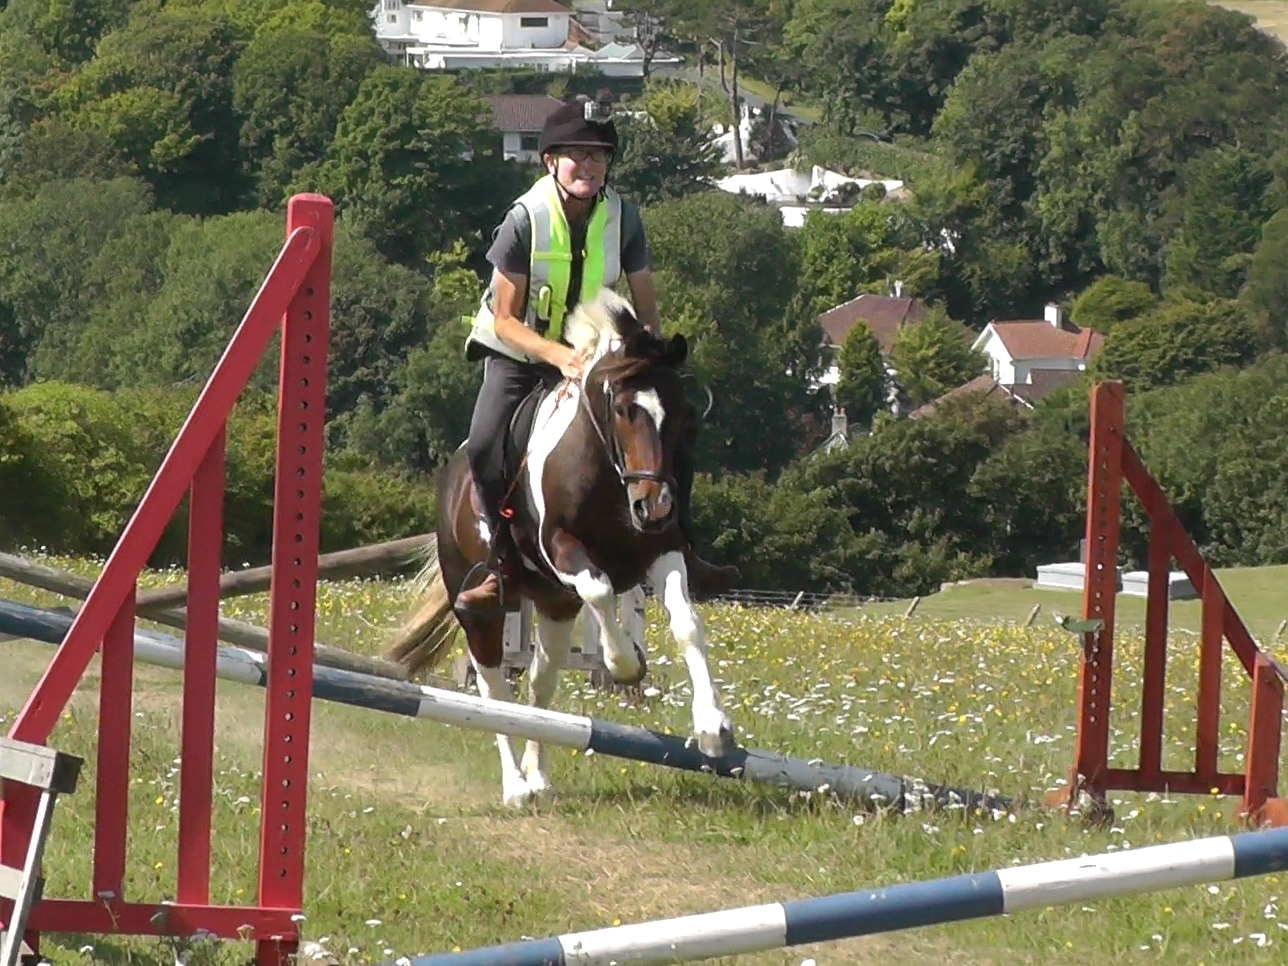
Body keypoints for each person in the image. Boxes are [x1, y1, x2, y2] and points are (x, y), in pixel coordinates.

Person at [454, 91, 739, 615]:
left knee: (675, 423)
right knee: (485, 444)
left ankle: (685, 545)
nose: (588, 166)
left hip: (593, 355)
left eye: (599, 156)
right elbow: (505, 320)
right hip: (520, 354)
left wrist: (647, 361)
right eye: (577, 155)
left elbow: (646, 309)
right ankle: (499, 566)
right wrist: (558, 357)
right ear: (551, 162)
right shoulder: (524, 220)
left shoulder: (624, 218)